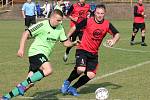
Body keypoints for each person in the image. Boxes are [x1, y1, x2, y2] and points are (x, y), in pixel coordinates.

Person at [0, 9, 78, 100]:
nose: (60, 22)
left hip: (44, 55)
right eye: (58, 20)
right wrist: (21, 48)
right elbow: (26, 33)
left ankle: (6, 97)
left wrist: (73, 43)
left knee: (29, 83)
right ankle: (22, 85)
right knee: (48, 70)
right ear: (52, 18)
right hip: (36, 52)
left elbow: (65, 43)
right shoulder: (42, 24)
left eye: (61, 20)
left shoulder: (60, 27)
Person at [60, 4, 120, 96]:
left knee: (91, 75)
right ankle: (67, 82)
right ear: (95, 13)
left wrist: (114, 40)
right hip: (82, 49)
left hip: (94, 53)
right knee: (80, 69)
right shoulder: (88, 21)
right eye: (98, 13)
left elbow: (117, 34)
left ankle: (73, 88)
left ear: (104, 14)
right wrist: (66, 37)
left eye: (102, 13)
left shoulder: (107, 24)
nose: (100, 15)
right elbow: (75, 27)